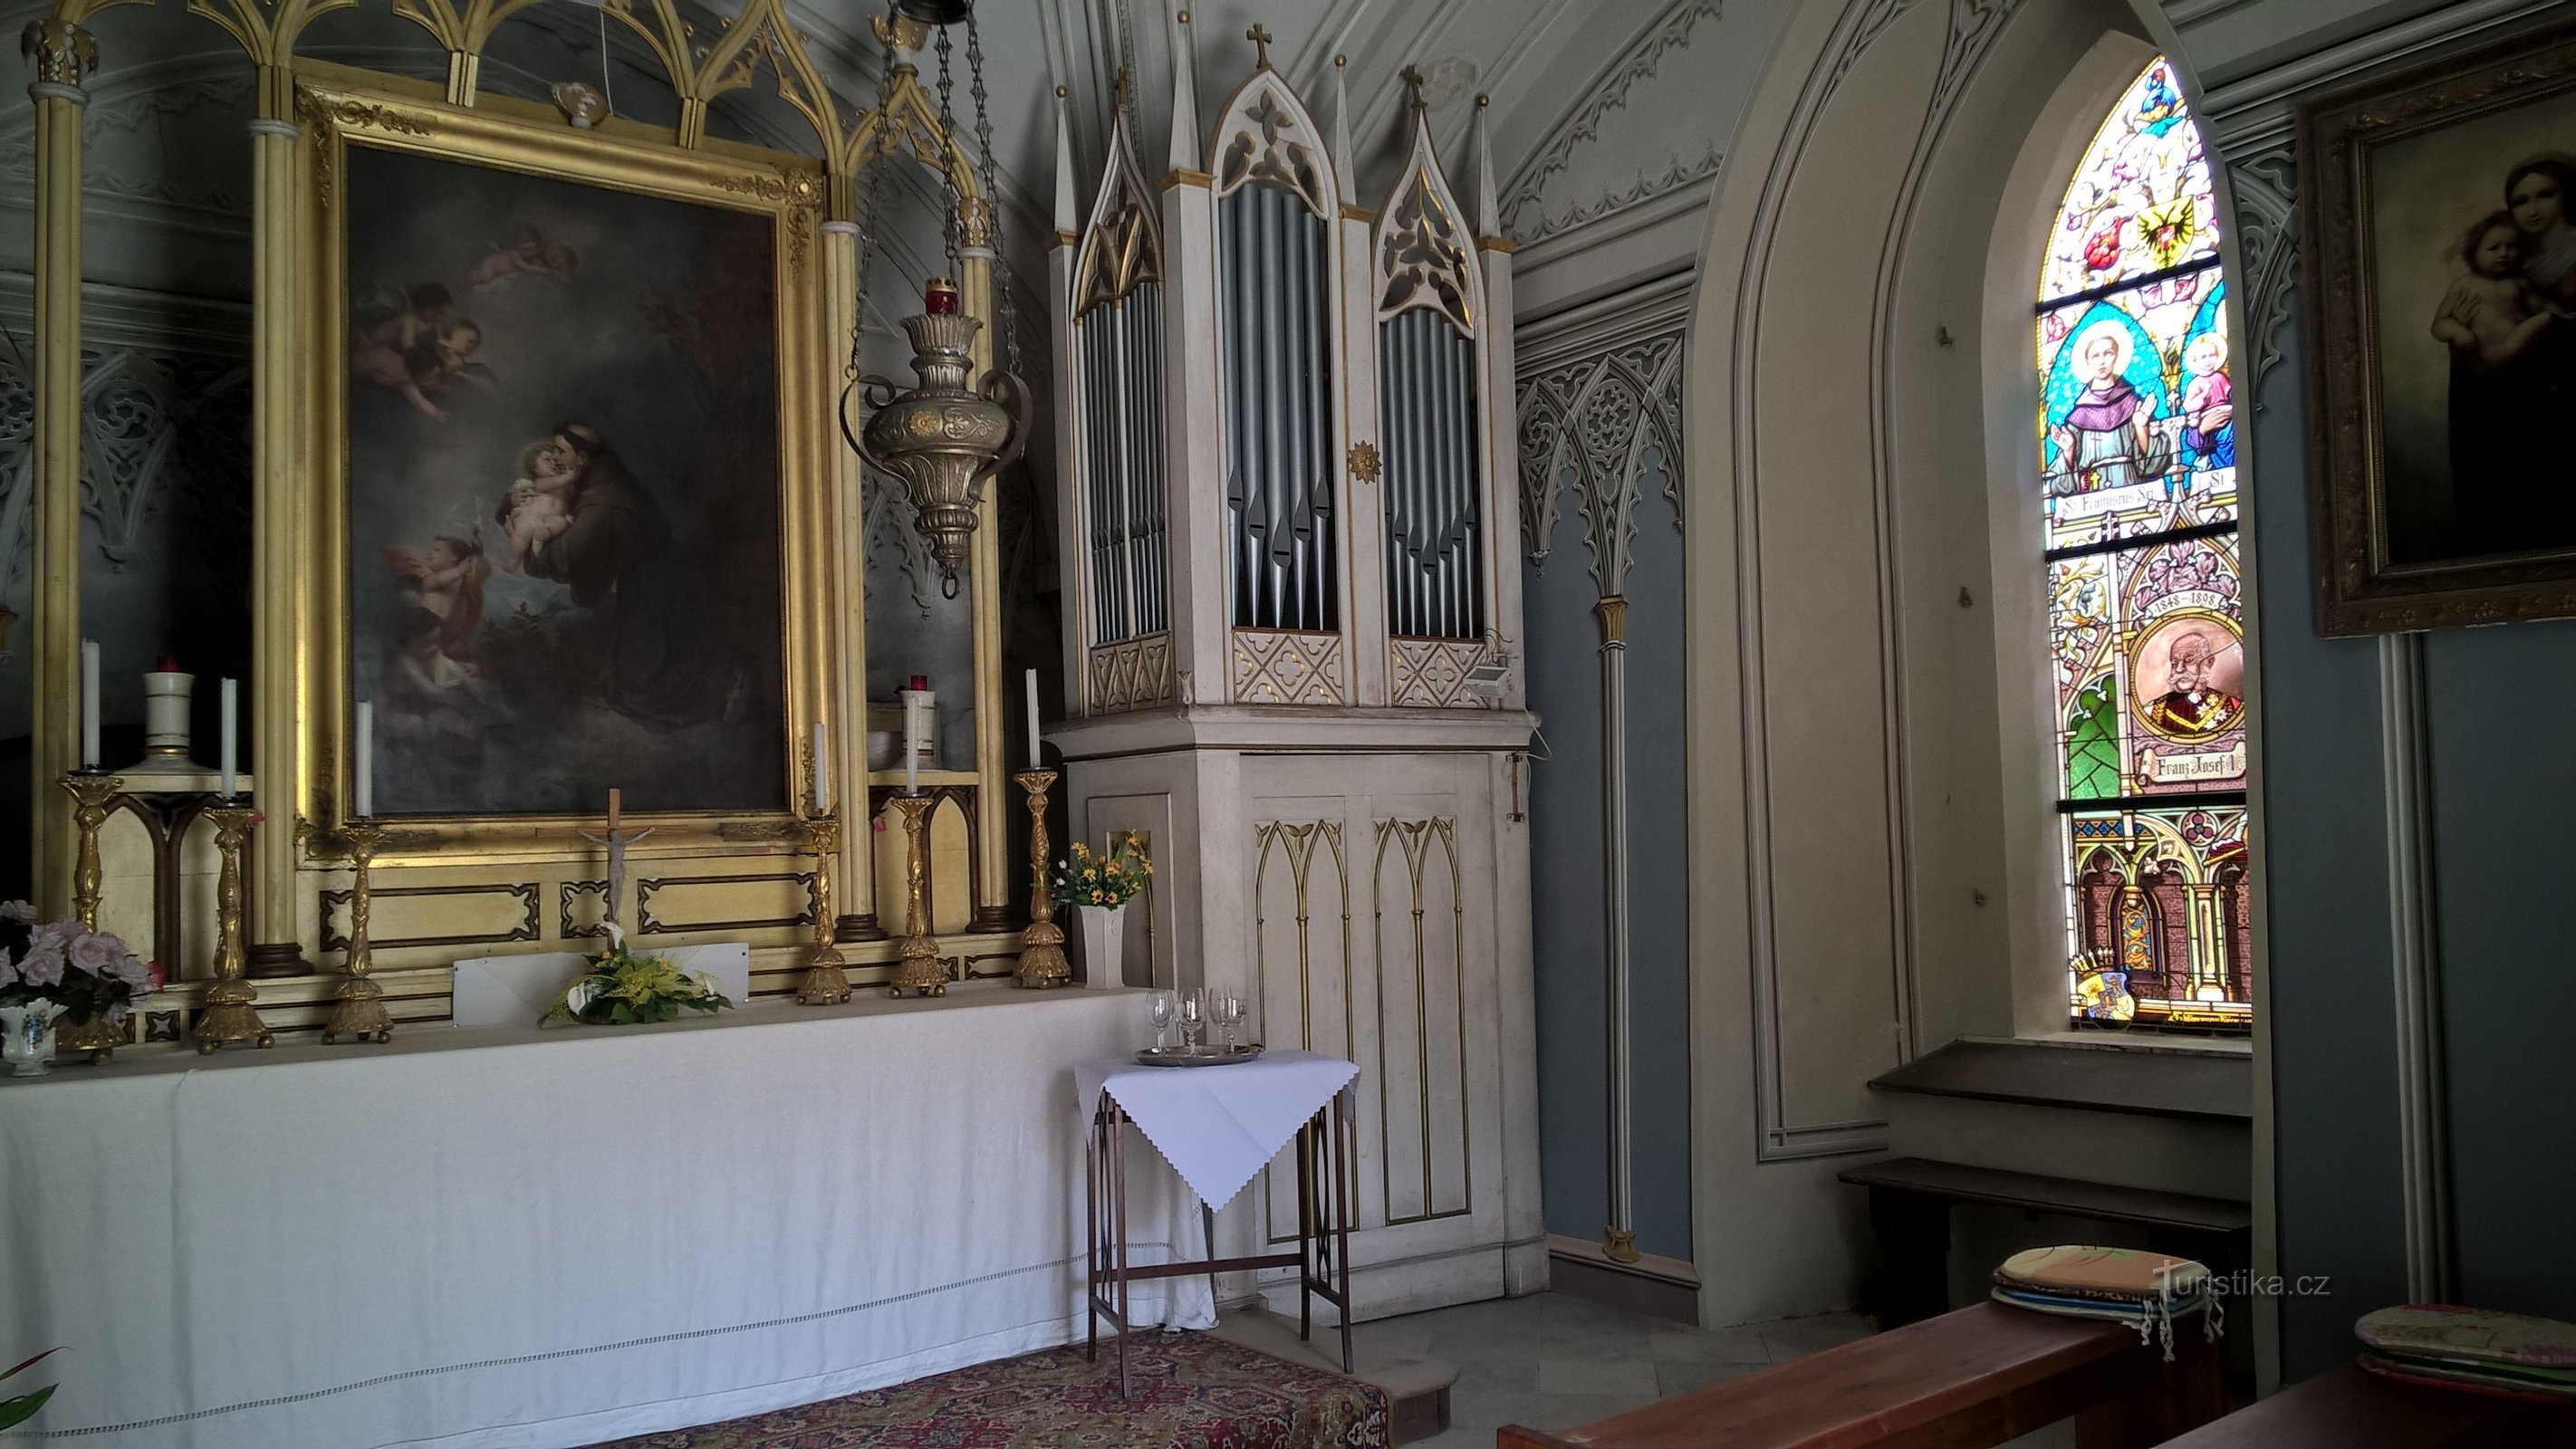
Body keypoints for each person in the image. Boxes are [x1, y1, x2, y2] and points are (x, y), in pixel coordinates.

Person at [519, 423, 736, 728]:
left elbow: (569, 557)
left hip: (659, 582)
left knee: (641, 680)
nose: (554, 457)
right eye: (552, 451)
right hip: (647, 578)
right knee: (632, 671)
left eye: (560, 451)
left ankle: (721, 692)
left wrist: (530, 548)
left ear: (581, 458)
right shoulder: (599, 479)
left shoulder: (604, 499)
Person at [2050, 323, 2169, 495]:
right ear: (2087, 362)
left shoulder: (2133, 404)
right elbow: (2059, 485)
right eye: (2095, 356)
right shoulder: (2078, 417)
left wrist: (2140, 427)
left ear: (2117, 356)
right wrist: (2068, 450)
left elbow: (2154, 465)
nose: (2102, 361)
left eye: (2108, 353)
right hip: (2091, 490)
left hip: (2130, 486)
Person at [2139, 629, 2242, 740]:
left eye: (2189, 660)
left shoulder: (2232, 705)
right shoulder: (2153, 711)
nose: (2179, 669)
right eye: (2174, 662)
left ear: (2209, 662)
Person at [494, 439, 577, 571]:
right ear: (534, 468)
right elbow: (555, 484)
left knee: (560, 523)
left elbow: (573, 495)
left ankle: (541, 536)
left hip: (554, 518)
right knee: (521, 532)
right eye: (547, 459)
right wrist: (569, 476)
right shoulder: (539, 483)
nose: (553, 462)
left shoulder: (566, 487)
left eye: (555, 459)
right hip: (533, 518)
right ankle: (514, 559)